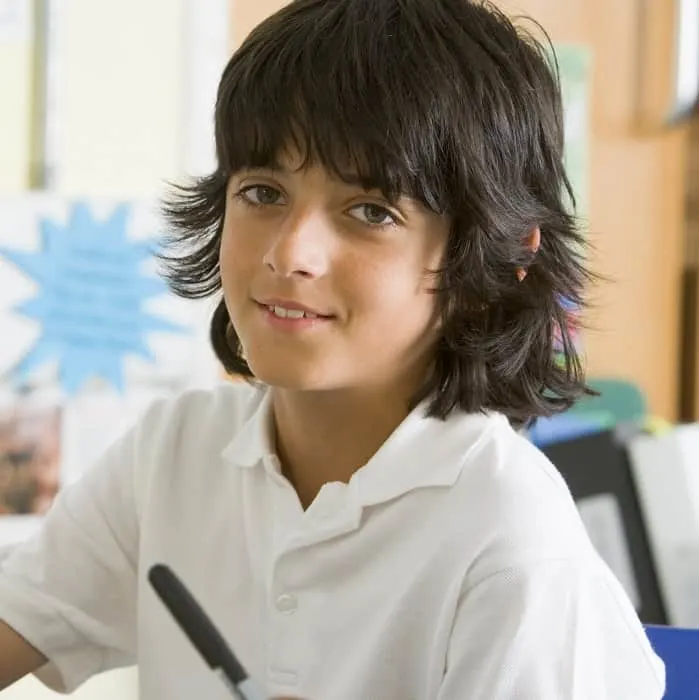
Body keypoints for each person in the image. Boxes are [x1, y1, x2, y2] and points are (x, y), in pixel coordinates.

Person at [0, 0, 665, 698]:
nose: (290, 253)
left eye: (371, 212)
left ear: (492, 262)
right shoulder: (174, 454)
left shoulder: (508, 536)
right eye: (262, 191)